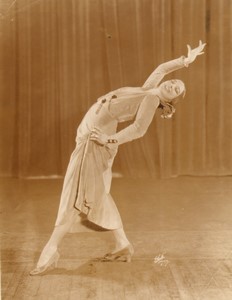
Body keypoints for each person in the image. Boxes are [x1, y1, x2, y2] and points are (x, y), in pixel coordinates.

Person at [30, 40, 206, 275]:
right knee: (96, 194)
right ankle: (122, 246)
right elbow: (161, 69)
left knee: (75, 193)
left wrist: (107, 139)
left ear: (170, 102)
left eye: (176, 89)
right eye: (174, 82)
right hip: (89, 136)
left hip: (95, 143)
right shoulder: (148, 89)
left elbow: (138, 130)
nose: (173, 84)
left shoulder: (151, 100)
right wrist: (185, 62)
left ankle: (51, 249)